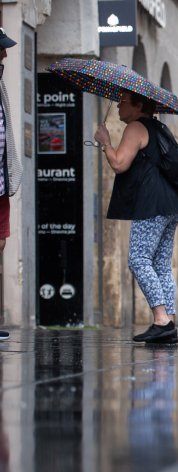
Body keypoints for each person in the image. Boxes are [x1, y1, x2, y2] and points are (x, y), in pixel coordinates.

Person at [94, 89, 178, 344]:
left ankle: (161, 320)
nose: (117, 106)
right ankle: (168, 322)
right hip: (172, 203)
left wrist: (105, 142)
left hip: (152, 203)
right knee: (160, 264)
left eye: (122, 101)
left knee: (138, 259)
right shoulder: (160, 128)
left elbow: (119, 164)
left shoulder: (136, 127)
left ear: (138, 105)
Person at [0, 30, 22, 342]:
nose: (5, 55)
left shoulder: (0, 85)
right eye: (1, 50)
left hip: (0, 182)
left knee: (1, 244)